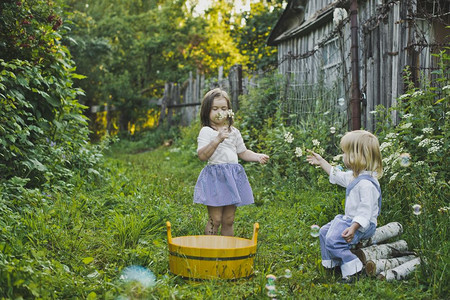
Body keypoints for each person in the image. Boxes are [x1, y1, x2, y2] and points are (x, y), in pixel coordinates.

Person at [306, 130, 383, 283]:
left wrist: (354, 227)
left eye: (346, 153)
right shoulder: (356, 176)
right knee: (323, 232)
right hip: (350, 220)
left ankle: (353, 269)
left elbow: (365, 211)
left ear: (359, 156)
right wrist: (322, 162)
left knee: (334, 240)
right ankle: (332, 264)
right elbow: (338, 176)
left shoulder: (367, 184)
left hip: (363, 224)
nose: (343, 157)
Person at [194, 88, 269, 236]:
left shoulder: (233, 132)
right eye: (214, 109)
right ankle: (211, 249)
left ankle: (226, 251)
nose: (219, 112)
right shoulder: (206, 131)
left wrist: (257, 156)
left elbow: (242, 152)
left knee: (229, 219)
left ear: (229, 111)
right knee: (215, 219)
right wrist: (218, 139)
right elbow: (202, 156)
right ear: (206, 111)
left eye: (223, 108)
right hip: (215, 178)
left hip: (232, 177)